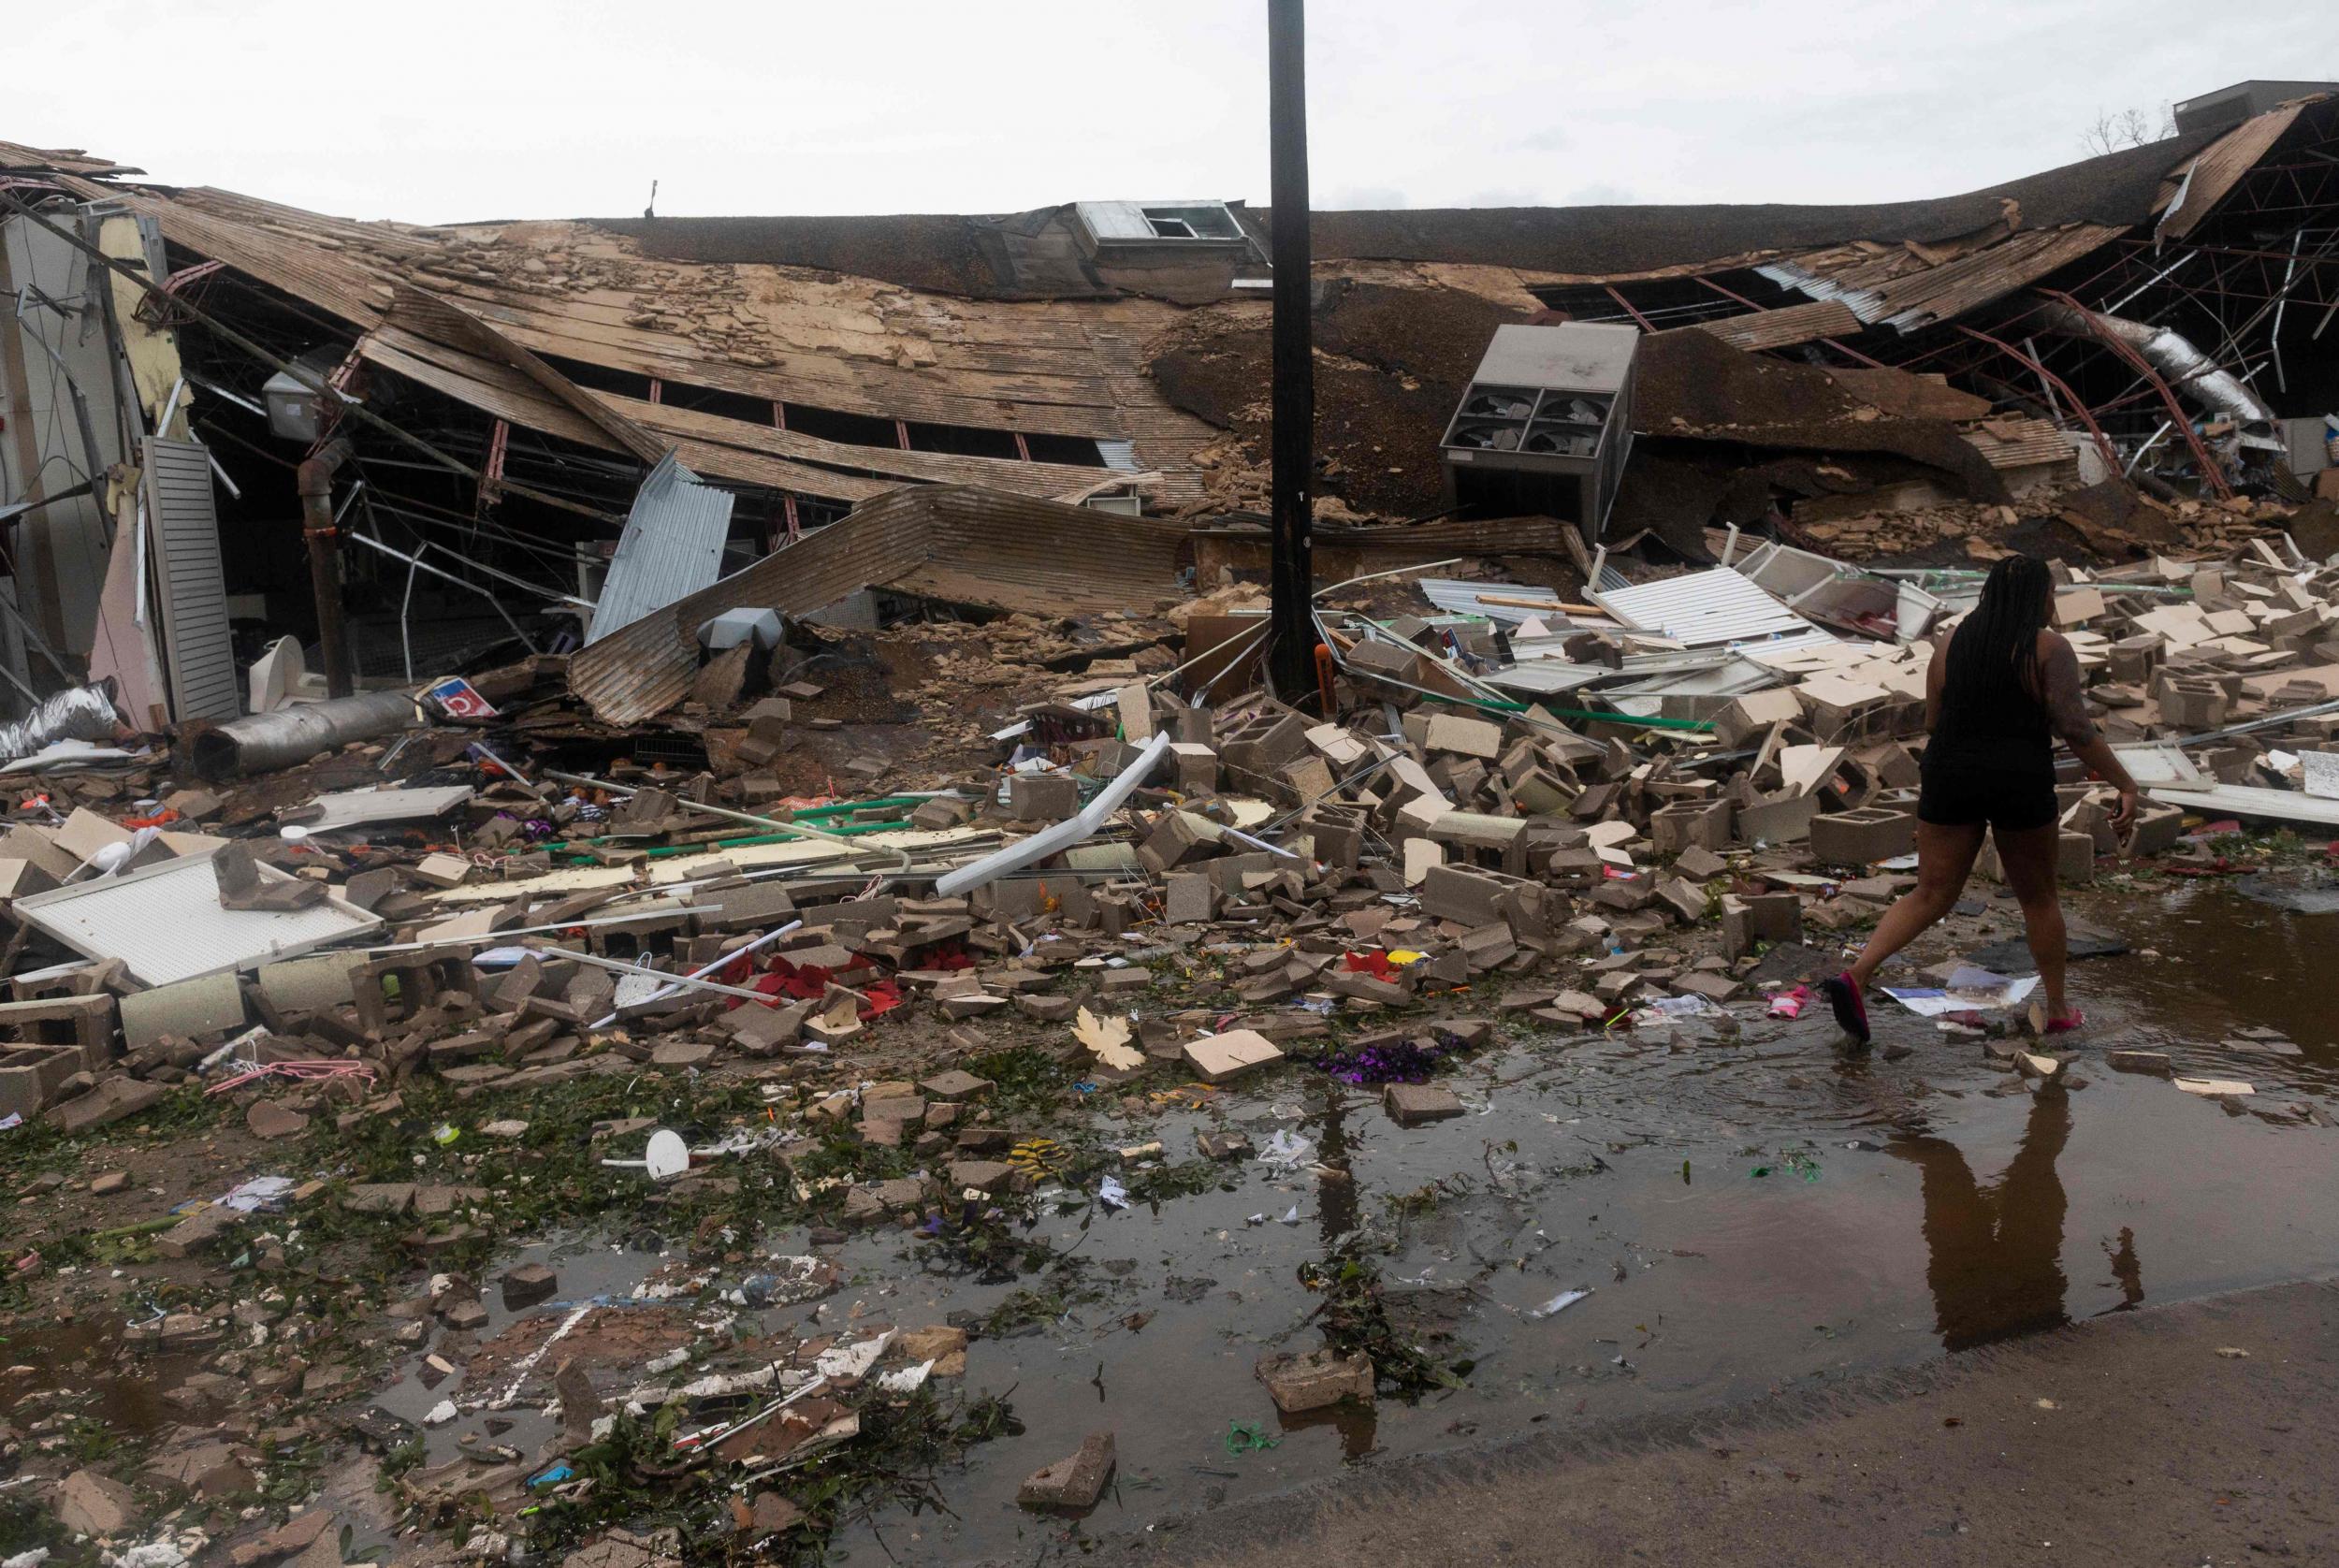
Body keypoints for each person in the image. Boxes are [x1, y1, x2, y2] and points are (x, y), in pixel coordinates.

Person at [1823, 554, 2138, 1044]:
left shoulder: (1950, 641)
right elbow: (2074, 727)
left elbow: (1932, 721)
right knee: (2038, 897)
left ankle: (1857, 975)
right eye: (2051, 593)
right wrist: (2127, 783)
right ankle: (2057, 1009)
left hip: (1950, 773)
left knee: (1930, 892)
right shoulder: (2050, 648)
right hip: (2018, 778)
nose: (2054, 602)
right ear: (2039, 597)